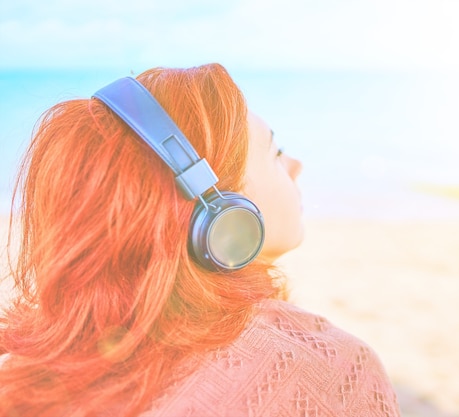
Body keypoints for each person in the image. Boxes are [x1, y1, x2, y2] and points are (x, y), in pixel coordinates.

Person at [0, 64, 400, 417]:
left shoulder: (21, 368)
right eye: (275, 153)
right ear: (224, 217)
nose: (296, 165)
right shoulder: (338, 369)